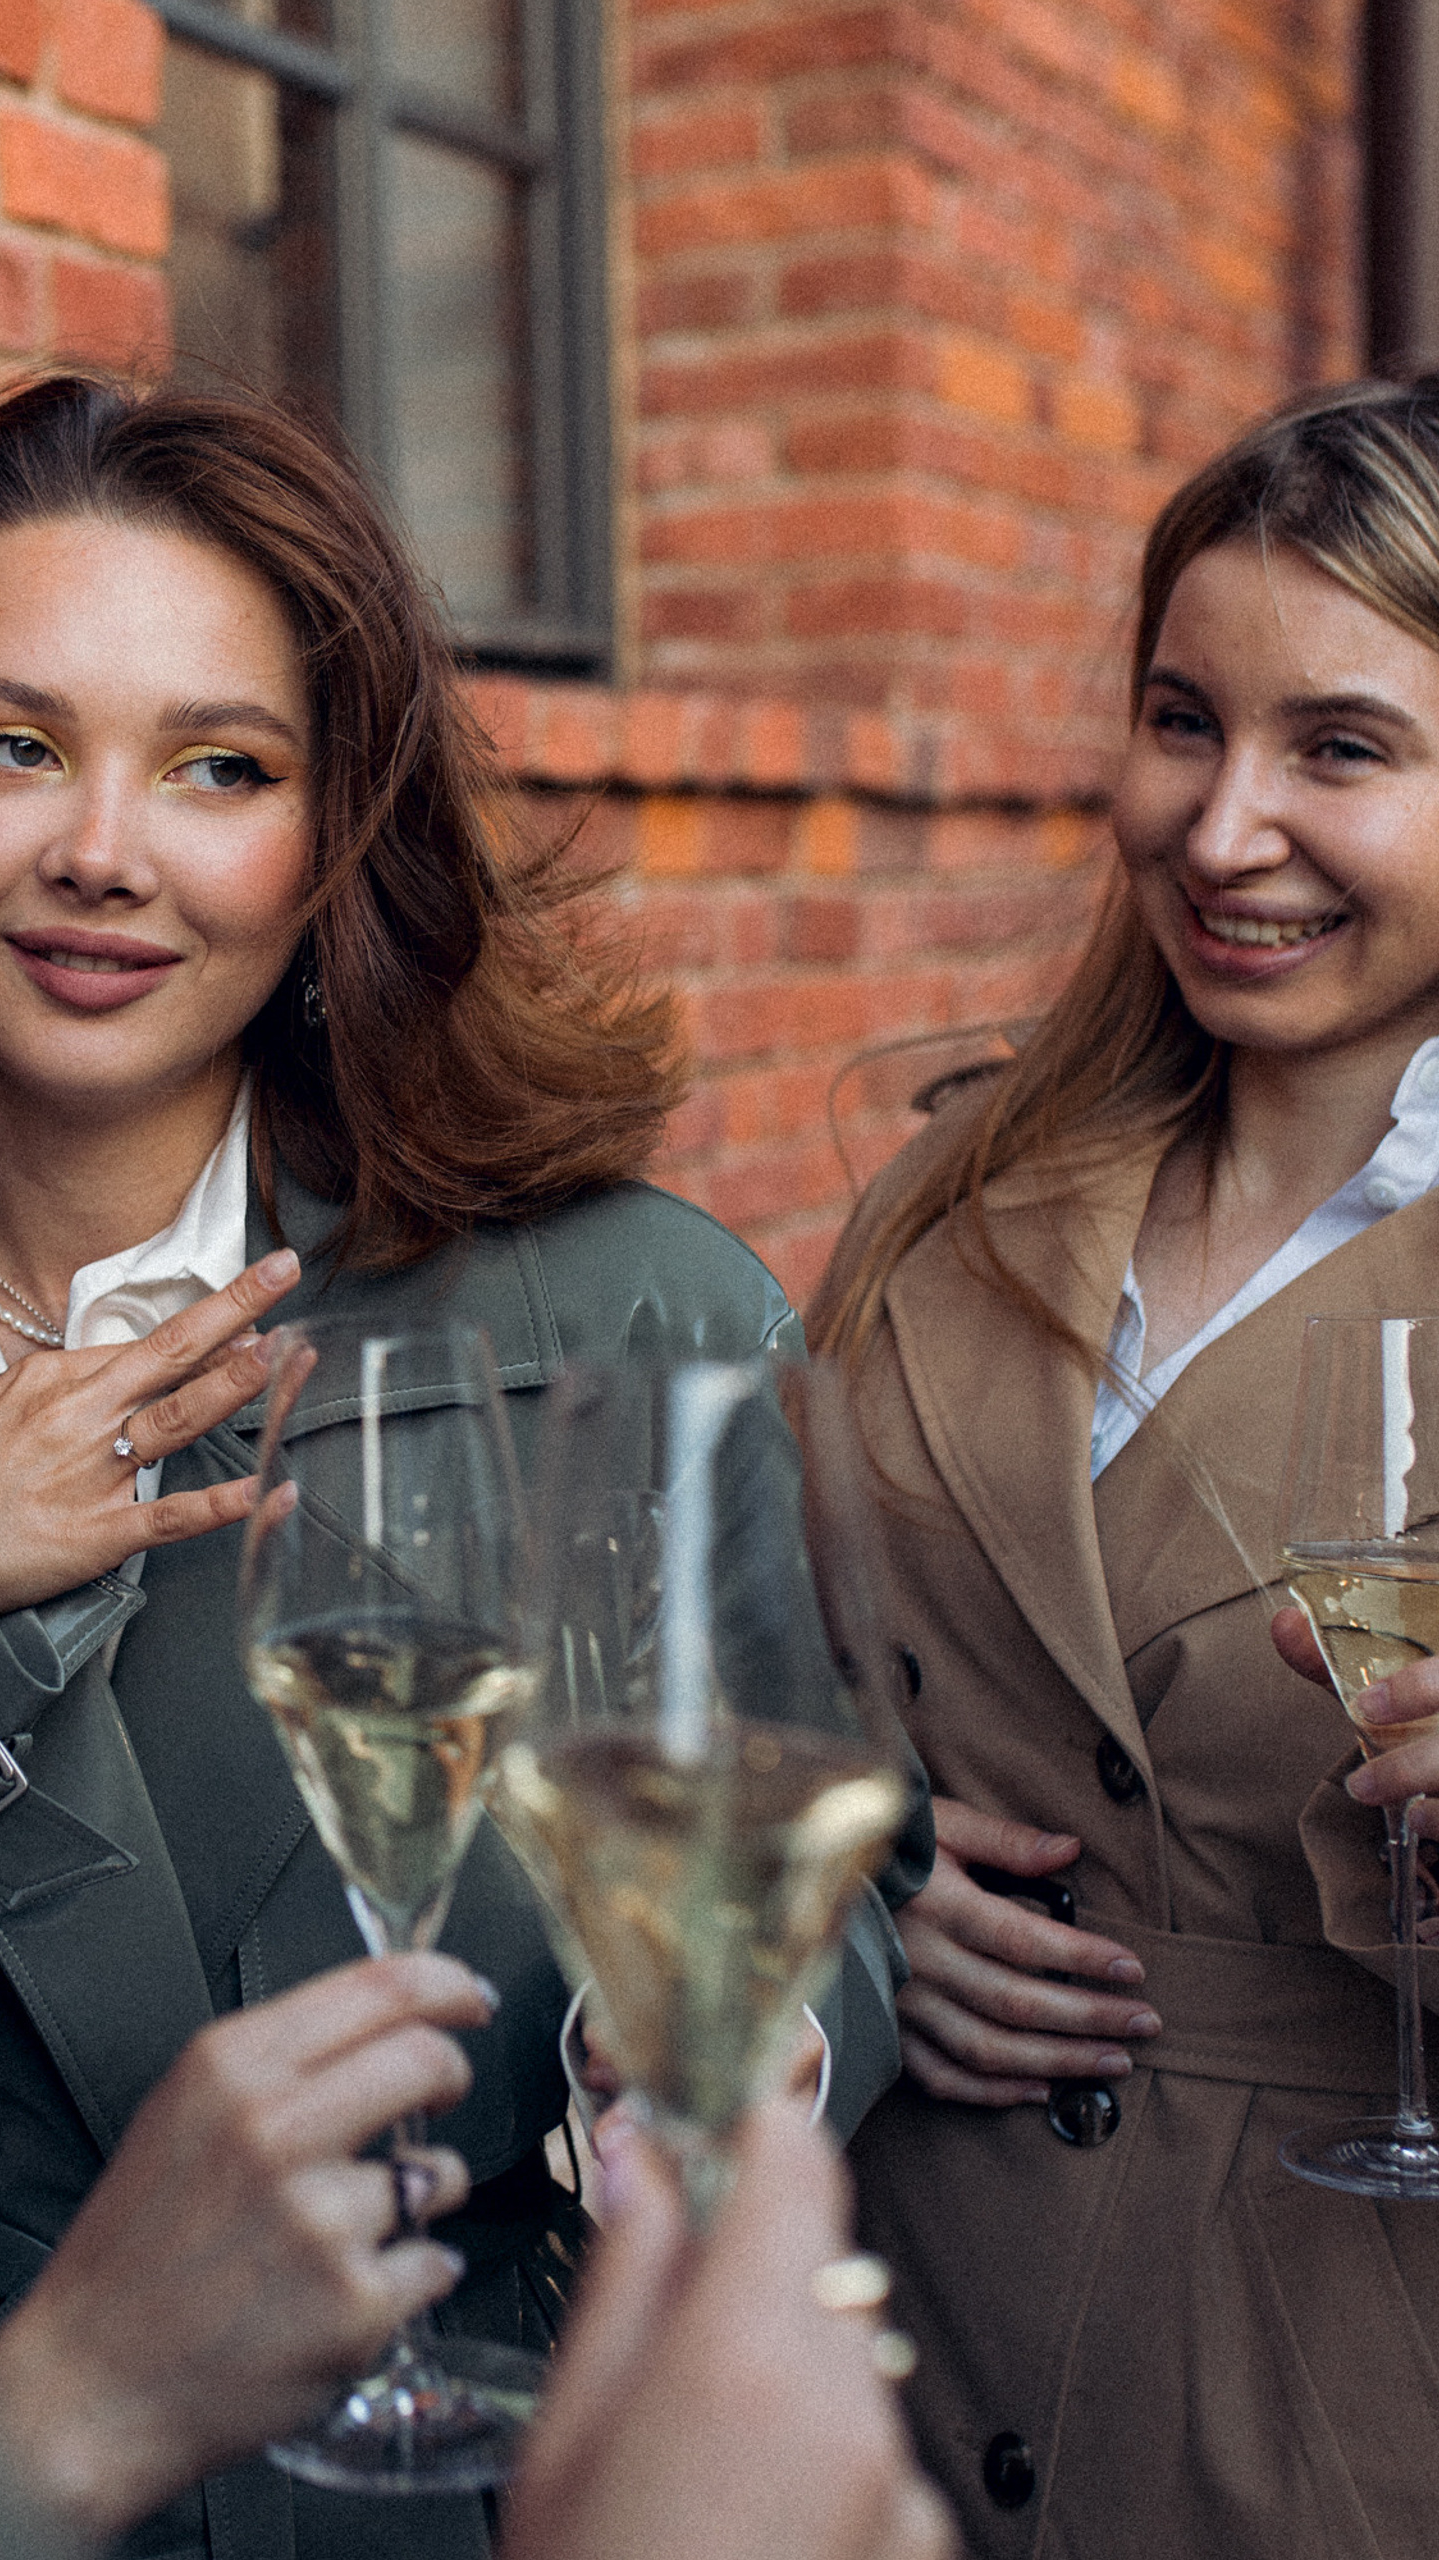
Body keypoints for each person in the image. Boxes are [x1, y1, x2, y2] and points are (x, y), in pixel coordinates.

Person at [0, 370, 924, 2560]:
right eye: (9, 744)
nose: (98, 850)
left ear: (328, 850)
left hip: (514, 2477)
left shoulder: (630, 1307)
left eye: (219, 767)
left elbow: (833, 1869)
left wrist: (738, 2054)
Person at [811, 375, 1439, 2558]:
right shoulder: (951, 1186)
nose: (1216, 821)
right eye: (1180, 719)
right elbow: (767, 1694)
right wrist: (863, 1906)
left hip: (1323, 2411)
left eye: (1337, 748)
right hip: (869, 2376)